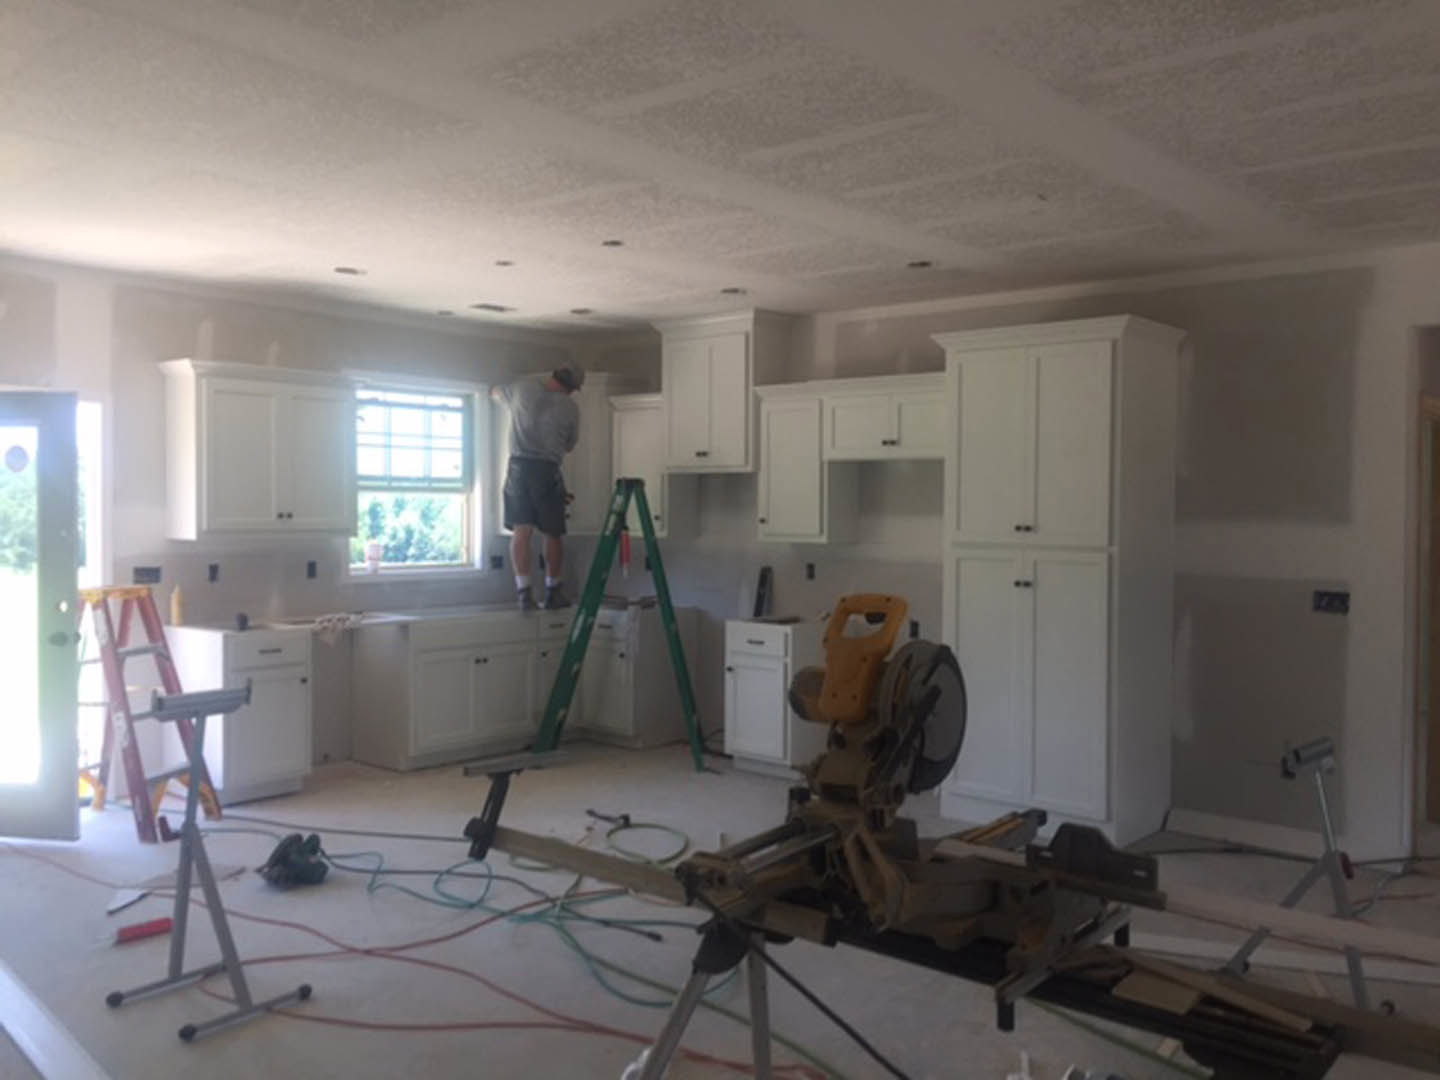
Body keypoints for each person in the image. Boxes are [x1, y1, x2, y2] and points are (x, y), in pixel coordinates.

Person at [492, 364, 584, 610]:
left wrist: (504, 398)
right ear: (571, 388)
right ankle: (553, 590)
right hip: (548, 469)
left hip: (518, 469)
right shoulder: (569, 407)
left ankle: (524, 592)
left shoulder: (522, 389)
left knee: (522, 531)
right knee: (553, 533)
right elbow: (569, 445)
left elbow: (496, 393)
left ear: (552, 377)